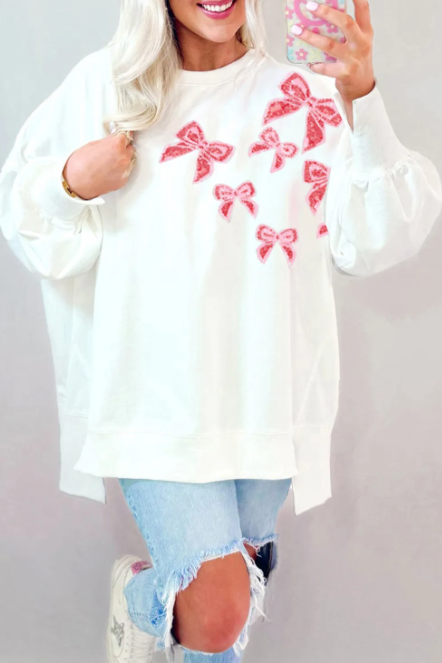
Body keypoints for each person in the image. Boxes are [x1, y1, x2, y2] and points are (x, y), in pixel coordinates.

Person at [0, 0, 441, 662]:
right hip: (155, 406)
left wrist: (361, 94)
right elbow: (27, 219)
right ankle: (141, 597)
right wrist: (71, 184)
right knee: (219, 609)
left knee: (230, 616)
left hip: (266, 402)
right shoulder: (109, 90)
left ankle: (168, 614)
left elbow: (378, 237)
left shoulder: (303, 97)